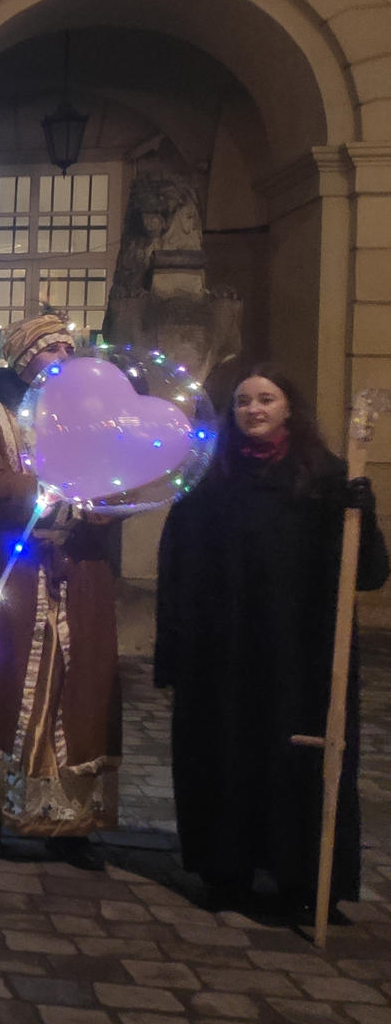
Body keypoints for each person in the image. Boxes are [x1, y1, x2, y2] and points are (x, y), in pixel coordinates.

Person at [155, 366, 387, 920]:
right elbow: (178, 565)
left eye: (266, 399)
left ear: (289, 408)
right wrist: (176, 650)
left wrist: (362, 510)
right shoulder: (210, 480)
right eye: (242, 402)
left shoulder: (327, 478)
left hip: (298, 656)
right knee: (226, 756)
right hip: (226, 652)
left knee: (296, 763)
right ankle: (226, 870)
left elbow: (370, 573)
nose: (254, 410)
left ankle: (304, 876)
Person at [0, 313, 118, 871]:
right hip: (11, 574)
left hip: (78, 573)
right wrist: (51, 490)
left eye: (68, 351)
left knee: (79, 693)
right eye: (48, 352)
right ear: (25, 365)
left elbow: (118, 486)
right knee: (2, 685)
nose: (61, 360)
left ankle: (71, 823)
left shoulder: (96, 422)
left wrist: (96, 505)